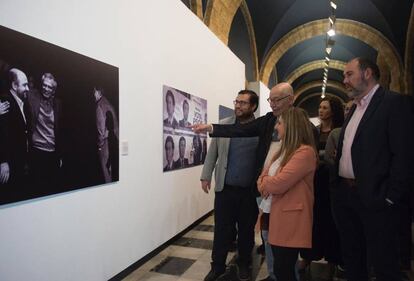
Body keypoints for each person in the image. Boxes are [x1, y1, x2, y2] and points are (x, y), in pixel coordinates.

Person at [192, 82, 315, 281]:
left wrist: (264, 183)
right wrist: (211, 128)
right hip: (258, 193)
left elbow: (286, 175)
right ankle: (268, 273)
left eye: (277, 100)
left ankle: (258, 268)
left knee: (279, 243)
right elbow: (235, 135)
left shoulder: (302, 136)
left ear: (290, 100)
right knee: (267, 237)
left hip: (280, 197)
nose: (273, 105)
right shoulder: (268, 121)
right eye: (271, 100)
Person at [332, 57, 414, 281]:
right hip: (347, 197)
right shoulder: (355, 109)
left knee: (384, 265)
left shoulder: (393, 103)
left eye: (349, 74)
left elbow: (404, 155)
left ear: (367, 73)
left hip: (377, 200)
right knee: (353, 260)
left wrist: (390, 198)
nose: (344, 80)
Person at [200, 89, 259, 281]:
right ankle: (217, 266)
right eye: (236, 101)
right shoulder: (223, 126)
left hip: (249, 192)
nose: (238, 106)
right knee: (222, 230)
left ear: (253, 106)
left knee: (246, 230)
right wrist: (205, 175)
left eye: (243, 103)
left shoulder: (259, 129)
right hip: (225, 189)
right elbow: (213, 153)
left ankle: (244, 263)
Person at [258, 107, 318, 281]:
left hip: (290, 218)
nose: (276, 127)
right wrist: (266, 182)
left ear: (291, 125)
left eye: (279, 123)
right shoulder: (282, 151)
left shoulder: (305, 152)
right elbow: (262, 176)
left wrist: (266, 183)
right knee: (280, 266)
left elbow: (278, 184)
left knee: (284, 269)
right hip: (273, 214)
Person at [299, 96, 344, 280]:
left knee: (332, 222)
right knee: (313, 220)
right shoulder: (314, 131)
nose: (320, 110)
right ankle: (309, 257)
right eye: (319, 107)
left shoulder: (340, 131)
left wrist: (321, 157)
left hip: (332, 182)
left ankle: (333, 260)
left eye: (325, 107)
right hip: (315, 181)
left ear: (333, 110)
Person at [27, 73, 63, 192]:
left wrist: (59, 155)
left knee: (51, 188)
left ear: (53, 90)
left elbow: (59, 130)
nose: (46, 89)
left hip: (52, 153)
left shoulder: (57, 104)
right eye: (44, 85)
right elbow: (15, 91)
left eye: (49, 87)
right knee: (37, 189)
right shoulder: (33, 96)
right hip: (37, 151)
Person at [0, 68, 31, 204]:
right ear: (14, 85)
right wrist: (3, 162)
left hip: (20, 164)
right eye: (24, 85)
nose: (28, 88)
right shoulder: (5, 102)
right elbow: (2, 134)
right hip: (10, 166)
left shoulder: (23, 103)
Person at [94, 87, 119, 182]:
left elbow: (101, 131)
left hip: (106, 146)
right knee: (113, 173)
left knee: (106, 176)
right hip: (114, 143)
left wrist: (99, 147)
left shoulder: (99, 106)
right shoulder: (109, 104)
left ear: (98, 92)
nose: (93, 94)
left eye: (94, 92)